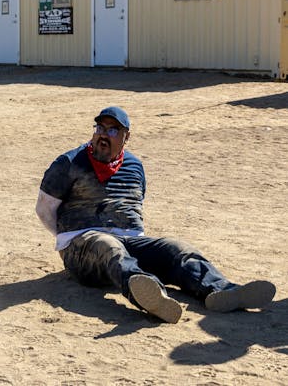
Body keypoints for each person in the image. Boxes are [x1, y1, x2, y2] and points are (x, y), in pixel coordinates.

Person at [35, 106, 275, 323]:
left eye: (113, 130)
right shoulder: (69, 162)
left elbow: (137, 203)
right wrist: (69, 240)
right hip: (83, 247)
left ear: (126, 137)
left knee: (175, 248)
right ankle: (149, 295)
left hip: (129, 242)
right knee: (106, 244)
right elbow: (44, 209)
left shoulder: (134, 166)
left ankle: (222, 291)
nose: (103, 135)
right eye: (100, 128)